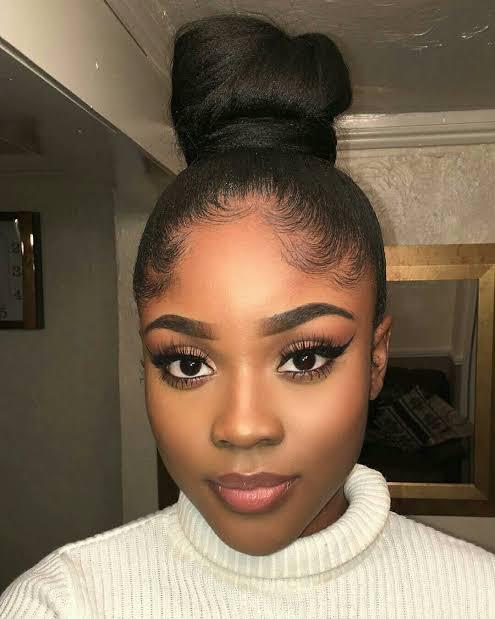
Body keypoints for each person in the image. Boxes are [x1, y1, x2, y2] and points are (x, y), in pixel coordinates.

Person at [1, 13, 494, 618]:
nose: (241, 427)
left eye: (304, 358)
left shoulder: (479, 597)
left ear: (376, 359)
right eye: (187, 364)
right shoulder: (65, 603)